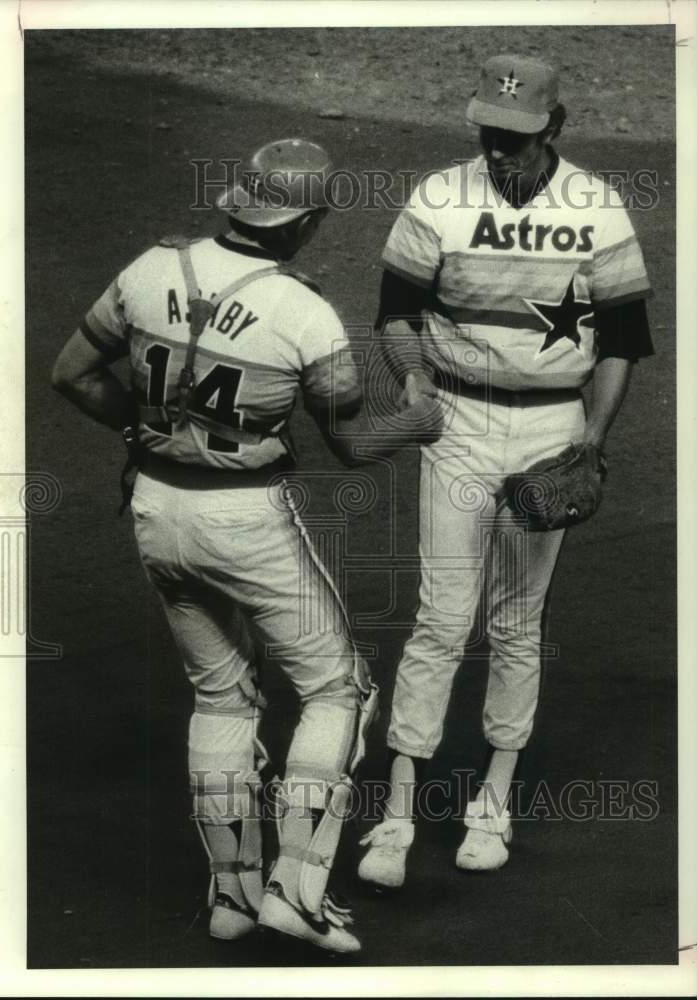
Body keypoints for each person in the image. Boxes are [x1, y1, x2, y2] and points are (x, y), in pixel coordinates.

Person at [51, 138, 442, 953]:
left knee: (220, 694)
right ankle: (296, 893)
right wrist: (417, 415)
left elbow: (73, 374)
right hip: (246, 521)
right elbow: (352, 447)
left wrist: (146, 426)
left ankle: (230, 896)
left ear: (239, 201)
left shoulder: (149, 268)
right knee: (338, 689)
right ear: (300, 221)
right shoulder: (302, 312)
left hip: (157, 511)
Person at [357, 55, 654, 887]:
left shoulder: (595, 208)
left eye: (517, 138)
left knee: (516, 621)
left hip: (549, 427)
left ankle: (493, 799)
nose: (499, 151)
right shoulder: (438, 199)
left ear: (554, 127)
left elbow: (623, 341)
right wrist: (412, 376)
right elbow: (395, 312)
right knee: (441, 619)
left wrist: (589, 441)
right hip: (455, 420)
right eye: (489, 134)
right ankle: (397, 812)